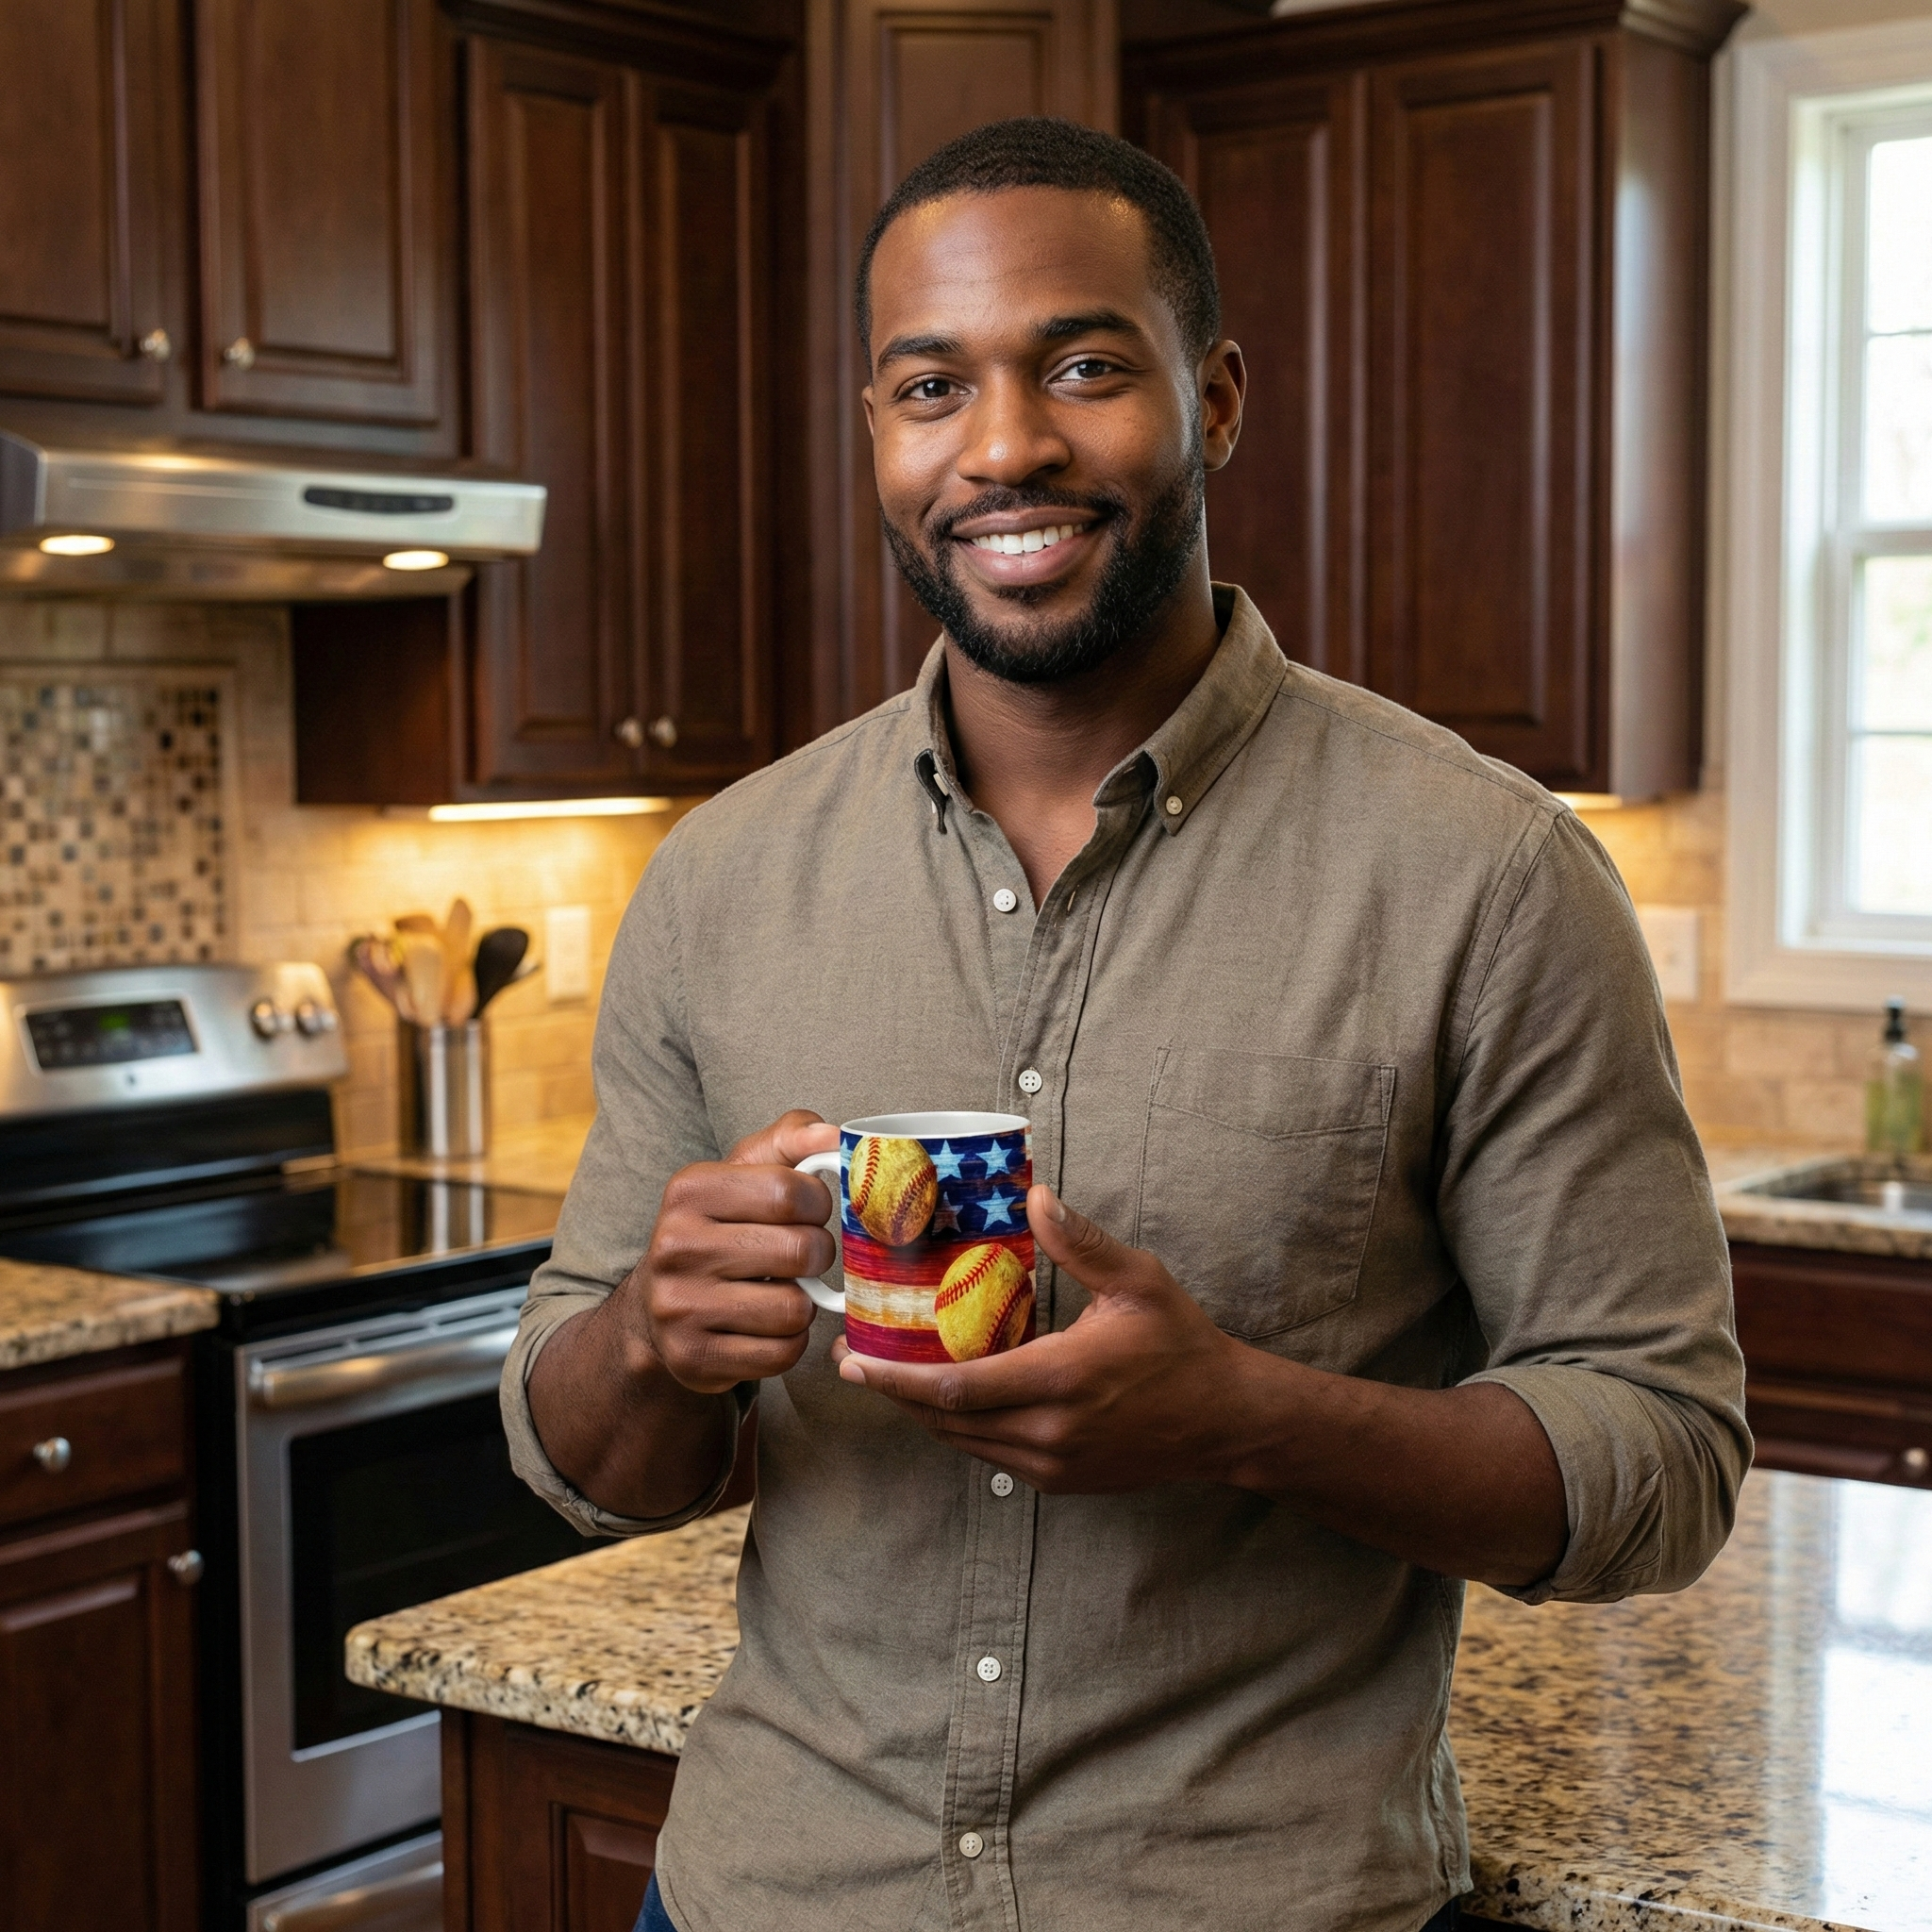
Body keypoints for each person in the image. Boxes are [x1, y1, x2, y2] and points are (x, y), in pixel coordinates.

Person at [503, 118, 1748, 1932]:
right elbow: (586, 1467)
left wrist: (1252, 1420)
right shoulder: (723, 879)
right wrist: (645, 1338)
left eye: (1083, 367)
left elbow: (1664, 1454)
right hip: (764, 1896)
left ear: (1217, 397)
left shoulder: (1486, 876)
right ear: (876, 433)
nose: (1003, 447)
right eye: (931, 386)